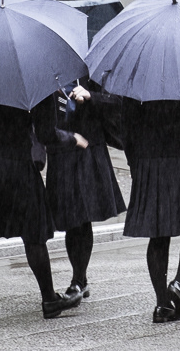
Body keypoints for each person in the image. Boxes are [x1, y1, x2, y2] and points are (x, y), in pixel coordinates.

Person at [72, 85, 180, 323]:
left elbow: (126, 123)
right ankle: (179, 283)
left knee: (158, 233)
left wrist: (135, 162)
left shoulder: (138, 78)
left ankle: (162, 304)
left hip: (148, 161)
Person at [0, 96, 89, 327]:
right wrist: (72, 138)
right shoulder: (34, 85)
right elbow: (46, 134)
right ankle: (49, 299)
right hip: (16, 163)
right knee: (33, 233)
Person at [46, 79, 126, 299]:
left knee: (82, 216)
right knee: (71, 219)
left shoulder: (92, 72)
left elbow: (118, 102)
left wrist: (91, 96)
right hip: (61, 150)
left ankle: (78, 279)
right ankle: (80, 278)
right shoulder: (47, 75)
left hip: (88, 148)